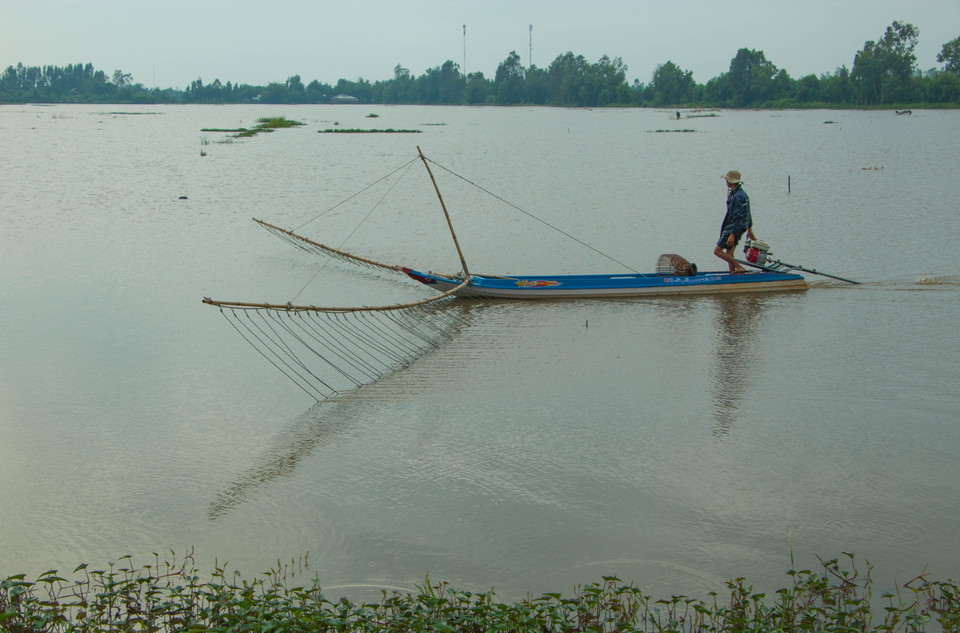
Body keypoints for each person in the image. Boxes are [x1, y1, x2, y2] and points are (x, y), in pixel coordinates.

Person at [714, 170, 755, 273]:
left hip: (734, 226)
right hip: (740, 226)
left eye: (727, 180)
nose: (726, 182)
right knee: (729, 252)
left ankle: (738, 267)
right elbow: (748, 212)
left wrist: (732, 234)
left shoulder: (737, 197)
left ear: (731, 181)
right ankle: (733, 273)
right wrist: (749, 229)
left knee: (718, 251)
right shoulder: (740, 193)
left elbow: (738, 216)